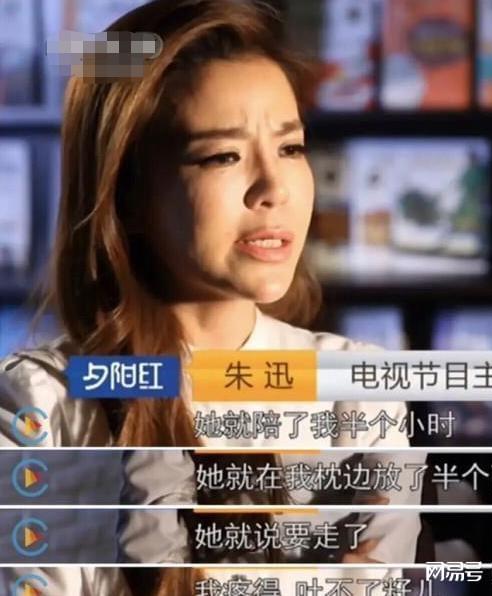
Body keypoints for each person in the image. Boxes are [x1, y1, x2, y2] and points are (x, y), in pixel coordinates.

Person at [0, 1, 425, 594]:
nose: (274, 188)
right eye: (223, 155)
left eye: (291, 148)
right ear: (129, 194)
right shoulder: (43, 403)